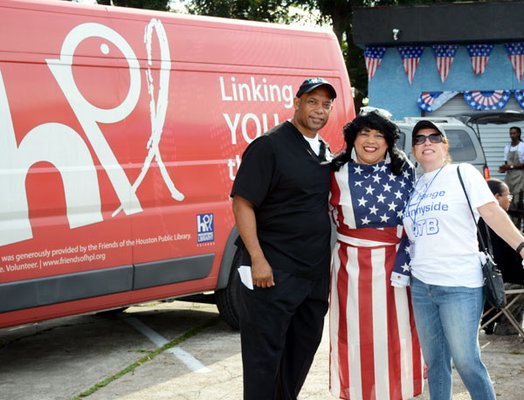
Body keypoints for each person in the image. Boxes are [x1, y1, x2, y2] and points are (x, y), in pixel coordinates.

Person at [231, 77, 337, 400]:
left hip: (312, 278)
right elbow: (242, 202)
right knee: (264, 362)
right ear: (297, 102)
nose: (319, 110)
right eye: (312, 102)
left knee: (301, 352)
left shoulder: (324, 151)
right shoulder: (269, 145)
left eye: (326, 104)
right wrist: (258, 259)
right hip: (273, 275)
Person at [403, 120, 524, 400]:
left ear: (445, 145)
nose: (427, 143)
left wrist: (521, 246)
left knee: (467, 361)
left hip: (460, 284)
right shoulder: (415, 185)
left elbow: (492, 213)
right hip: (421, 285)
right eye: (420, 139)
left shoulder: (462, 173)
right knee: (435, 363)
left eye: (434, 137)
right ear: (414, 150)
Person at [329, 110, 424, 400]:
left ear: (388, 141)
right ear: (353, 138)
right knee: (355, 335)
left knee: (398, 334)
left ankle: (399, 392)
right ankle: (356, 393)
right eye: (365, 133)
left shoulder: (404, 168)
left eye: (378, 135)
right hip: (350, 266)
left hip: (396, 264)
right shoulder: (334, 170)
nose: (371, 141)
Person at [479, 179, 524, 335]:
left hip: (483, 282)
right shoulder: (500, 222)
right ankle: (507, 329)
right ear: (496, 197)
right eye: (508, 195)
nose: (510, 199)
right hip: (497, 285)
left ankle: (501, 325)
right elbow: (514, 258)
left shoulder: (475, 220)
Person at [498, 126, 524, 225]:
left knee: (518, 200)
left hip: (520, 176)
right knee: (508, 198)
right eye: (511, 133)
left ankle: (517, 224)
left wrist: (511, 166)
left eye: (514, 133)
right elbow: (506, 163)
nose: (512, 135)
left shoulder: (522, 146)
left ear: (519, 134)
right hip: (509, 176)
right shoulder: (507, 147)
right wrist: (503, 168)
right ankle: (510, 223)